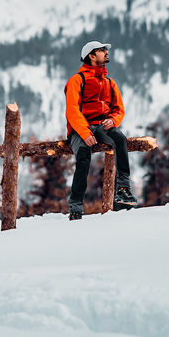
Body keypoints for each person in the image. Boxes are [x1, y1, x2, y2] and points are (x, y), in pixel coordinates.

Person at [64, 40, 138, 219]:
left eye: (106, 50)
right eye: (101, 50)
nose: (106, 52)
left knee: (120, 139)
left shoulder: (110, 83)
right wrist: (85, 133)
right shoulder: (76, 80)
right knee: (83, 155)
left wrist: (113, 121)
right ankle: (75, 207)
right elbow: (72, 110)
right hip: (80, 127)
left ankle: (123, 190)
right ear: (91, 55)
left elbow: (119, 109)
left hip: (103, 126)